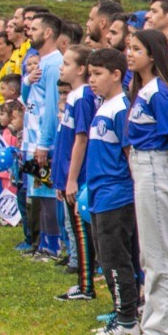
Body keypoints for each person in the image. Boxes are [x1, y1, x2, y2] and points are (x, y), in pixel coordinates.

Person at [123, 27, 168, 335]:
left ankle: (163, 334)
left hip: (156, 166)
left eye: (137, 49)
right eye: (129, 48)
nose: (130, 54)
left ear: (152, 55)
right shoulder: (144, 89)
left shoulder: (159, 92)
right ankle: (151, 325)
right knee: (150, 254)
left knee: (161, 254)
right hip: (143, 166)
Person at [83, 47, 140, 335]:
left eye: (97, 74)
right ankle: (123, 312)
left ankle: (127, 320)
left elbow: (130, 153)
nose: (91, 80)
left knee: (116, 259)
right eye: (89, 74)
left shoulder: (121, 108)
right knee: (108, 258)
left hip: (116, 195)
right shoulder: (104, 106)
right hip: (99, 193)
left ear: (116, 74)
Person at [55, 46, 99, 303]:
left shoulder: (83, 97)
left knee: (81, 231)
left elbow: (81, 139)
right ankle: (84, 282)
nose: (62, 68)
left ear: (81, 69)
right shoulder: (74, 96)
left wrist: (71, 179)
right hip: (68, 175)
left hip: (79, 177)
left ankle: (86, 285)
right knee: (75, 227)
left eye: (66, 63)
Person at [22, 13, 65, 259]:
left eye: (34, 28)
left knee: (48, 194)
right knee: (40, 192)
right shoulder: (42, 62)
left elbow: (52, 107)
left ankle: (53, 246)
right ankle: (44, 245)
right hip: (34, 141)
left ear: (48, 33)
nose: (30, 32)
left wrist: (44, 143)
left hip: (44, 142)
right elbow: (27, 100)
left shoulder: (54, 64)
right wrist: (27, 81)